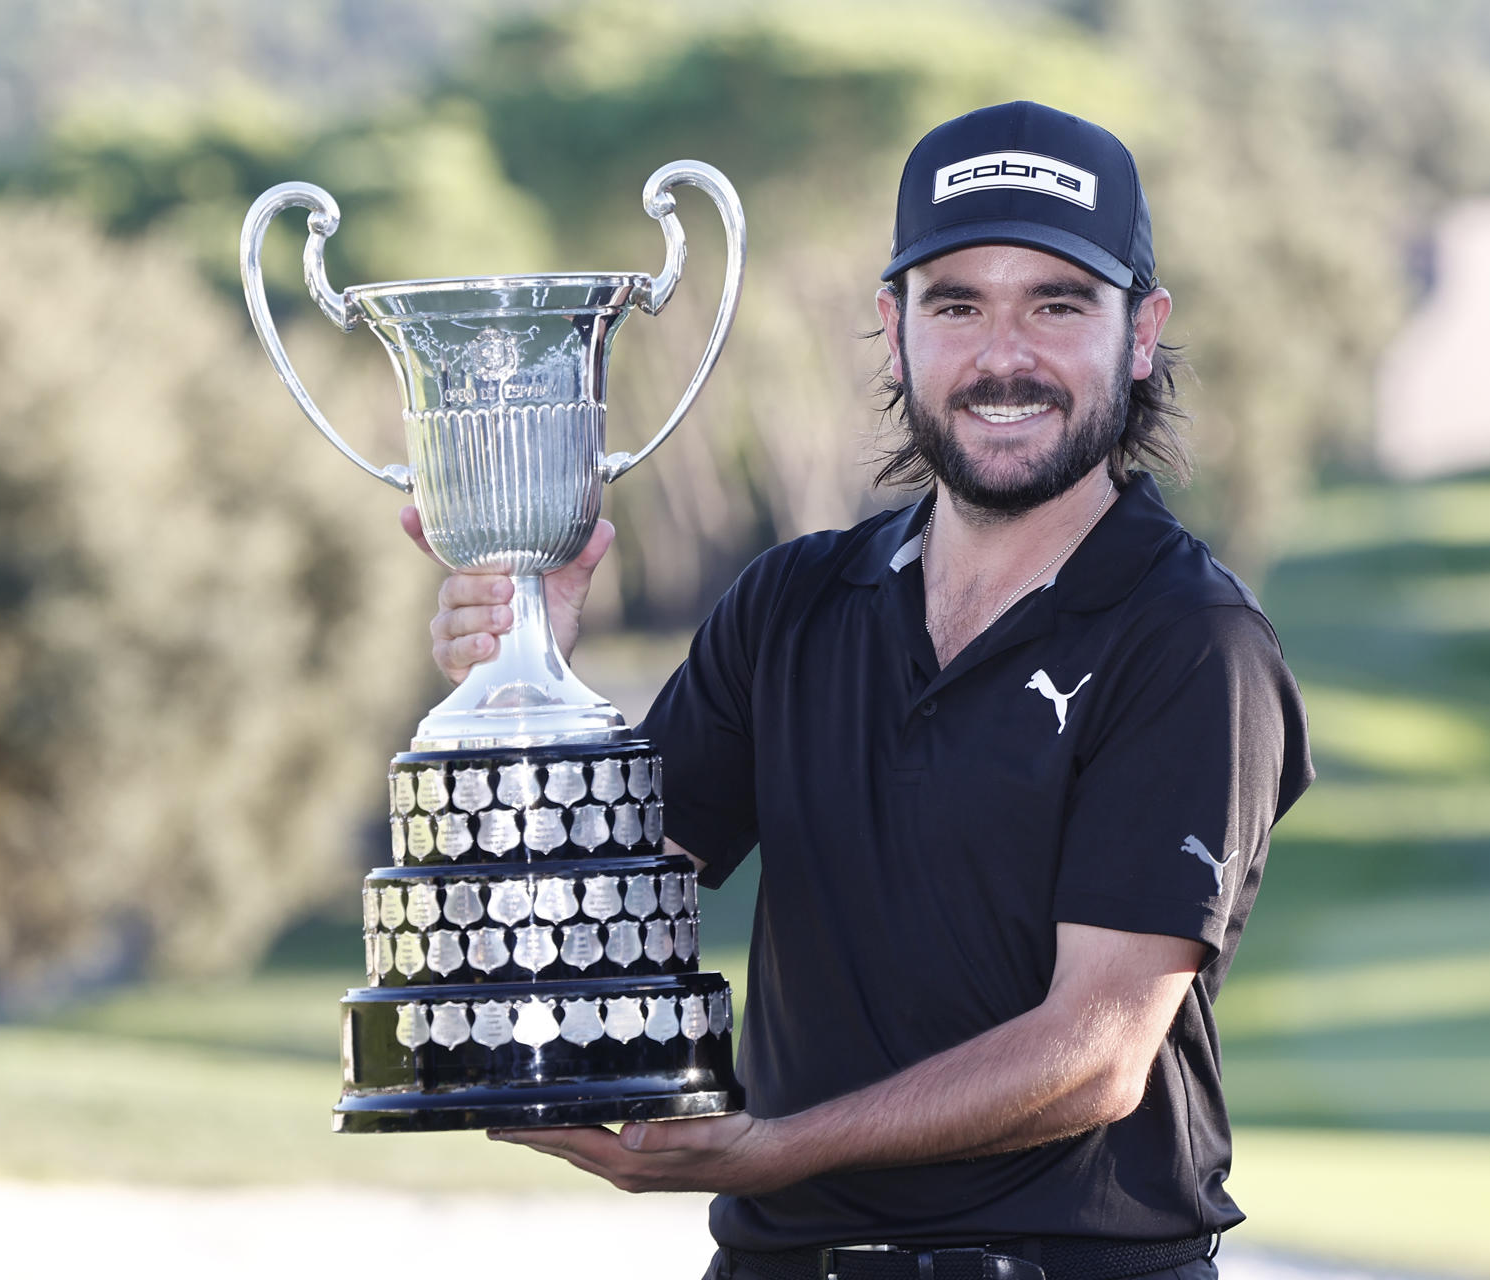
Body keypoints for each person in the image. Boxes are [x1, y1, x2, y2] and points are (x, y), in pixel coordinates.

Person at [409, 101, 1312, 1280]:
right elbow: (600, 916)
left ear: (1141, 333)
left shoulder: (1190, 638)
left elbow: (1096, 1053)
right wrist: (527, 682)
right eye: (957, 304)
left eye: (1058, 303)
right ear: (894, 332)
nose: (1005, 356)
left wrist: (770, 1148)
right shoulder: (791, 602)